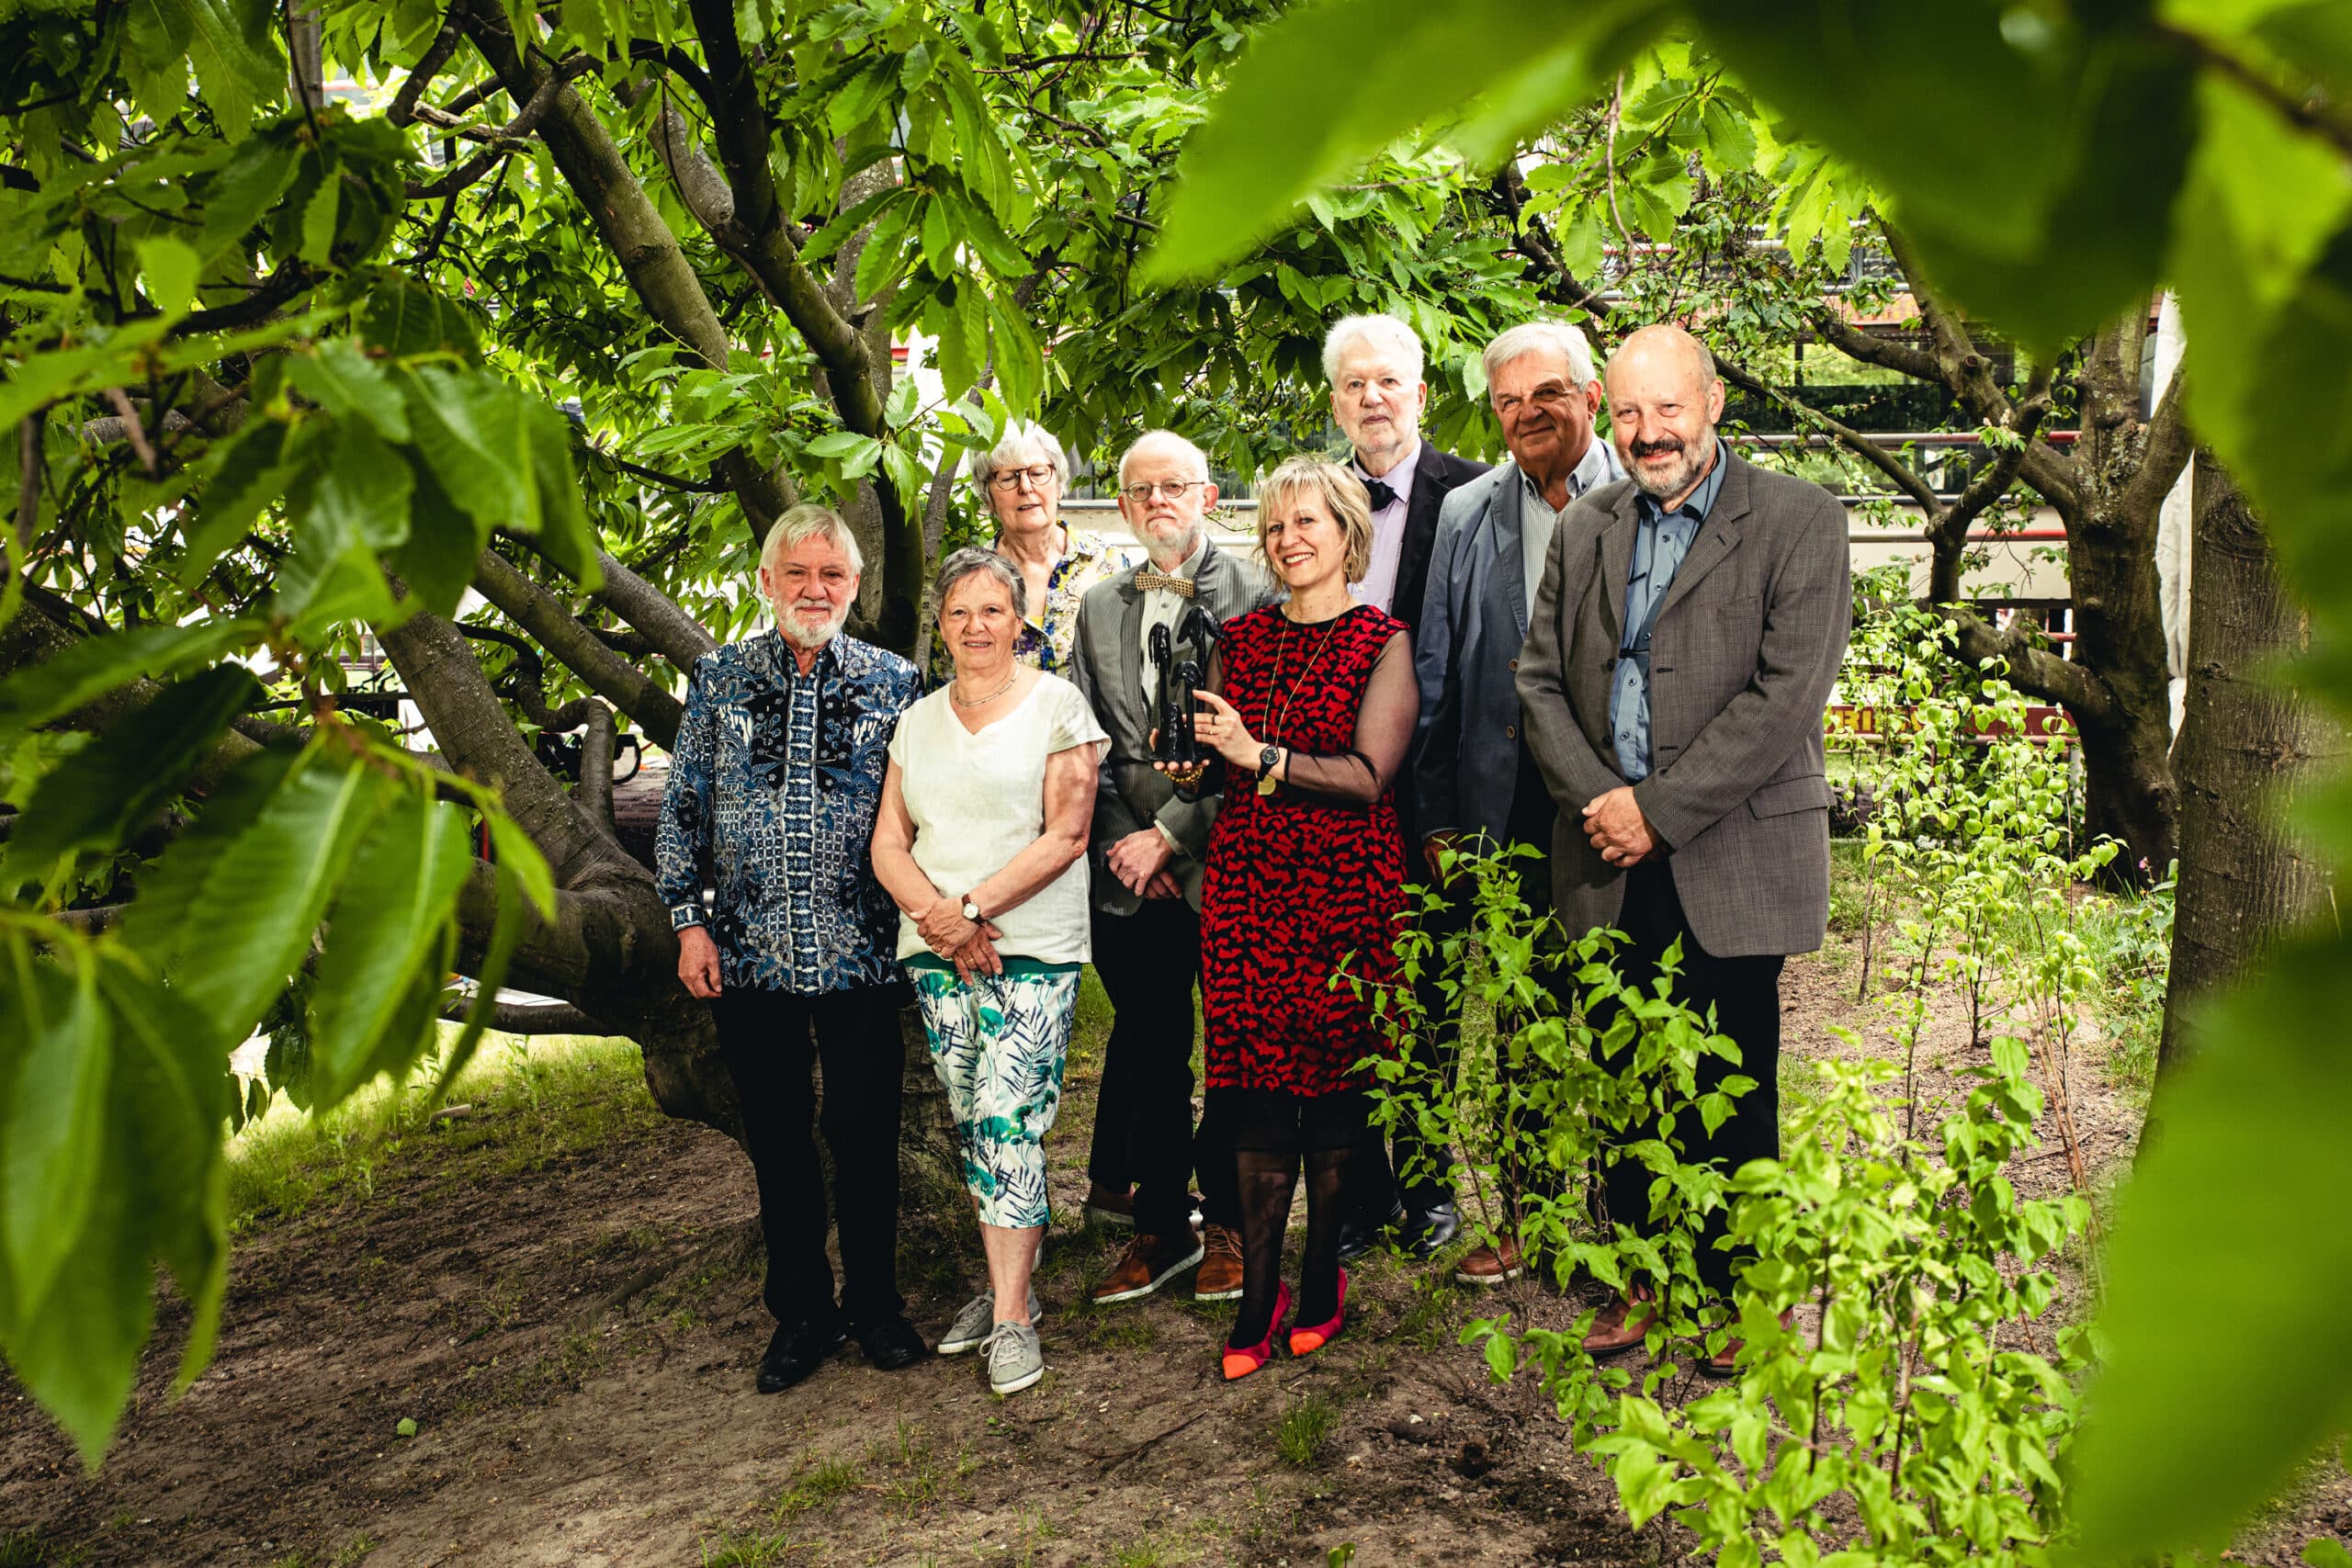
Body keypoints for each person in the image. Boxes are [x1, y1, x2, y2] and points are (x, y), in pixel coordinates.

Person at [1516, 324, 1850, 1375]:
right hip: (1604, 853)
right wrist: (1604, 803)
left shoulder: (1798, 518)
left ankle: (1739, 1291)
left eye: (1667, 408)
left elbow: (1783, 697)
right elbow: (1537, 682)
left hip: (1729, 848)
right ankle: (1644, 1275)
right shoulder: (1589, 526)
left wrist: (1656, 810)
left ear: (1711, 402)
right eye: (1627, 412)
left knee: (1734, 1078)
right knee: (1622, 1073)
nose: (1647, 431)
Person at [654, 503, 926, 1393]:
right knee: (778, 1139)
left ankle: (878, 1306)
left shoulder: (896, 682)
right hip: (747, 954)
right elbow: (683, 809)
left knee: (865, 1135)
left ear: (854, 587)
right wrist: (688, 922)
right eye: (798, 574)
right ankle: (801, 1314)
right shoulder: (719, 678)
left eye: (833, 576)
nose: (816, 590)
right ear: (766, 581)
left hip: (862, 953)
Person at [1182, 456, 1419, 1380]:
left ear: (1347, 534)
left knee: (1331, 1087)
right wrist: (1193, 765)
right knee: (1252, 1090)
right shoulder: (1237, 639)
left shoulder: (1382, 639)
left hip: (1345, 889)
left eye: (1307, 522)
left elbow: (1368, 779)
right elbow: (1214, 759)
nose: (1288, 539)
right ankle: (1258, 1289)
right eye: (1276, 525)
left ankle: (1322, 1277)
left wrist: (1258, 753)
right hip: (1248, 886)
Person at [1411, 321, 1624, 1286]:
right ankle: (1531, 1219)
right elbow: (1437, 671)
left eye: (1547, 393)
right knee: (1524, 1026)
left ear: (1589, 396)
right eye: (1508, 400)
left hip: (1624, 807)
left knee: (1623, 1020)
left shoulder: (1644, 491)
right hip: (1506, 808)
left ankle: (1620, 1226)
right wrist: (1439, 813)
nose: (1528, 413)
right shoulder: (1466, 511)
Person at [871, 548, 1107, 1398]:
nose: (977, 626)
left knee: (1011, 1120)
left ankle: (1010, 1319)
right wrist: (940, 920)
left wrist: (967, 910)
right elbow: (888, 843)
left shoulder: (1057, 706)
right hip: (936, 953)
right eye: (960, 612)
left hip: (1028, 946)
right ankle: (1014, 1290)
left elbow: (1067, 832)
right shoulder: (917, 719)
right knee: (976, 1122)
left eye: (993, 611)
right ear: (941, 625)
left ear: (1020, 621)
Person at [1068, 431, 1278, 1309]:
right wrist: (1129, 838)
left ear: (1208, 495)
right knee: (1151, 1045)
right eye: (1141, 490)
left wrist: (1173, 833)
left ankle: (1230, 1222)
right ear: (1122, 504)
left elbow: (1262, 733)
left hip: (1225, 854)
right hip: (1129, 868)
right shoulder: (1097, 604)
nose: (1159, 502)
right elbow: (1090, 737)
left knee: (1236, 1044)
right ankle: (1160, 1225)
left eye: (1176, 487)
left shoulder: (1259, 592)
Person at [1322, 312, 1490, 1261]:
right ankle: (1356, 1192)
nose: (1371, 399)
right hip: (1333, 796)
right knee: (1346, 997)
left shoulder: (1473, 494)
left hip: (1432, 795)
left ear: (1419, 392)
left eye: (1387, 381)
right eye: (1353, 385)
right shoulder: (1315, 501)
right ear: (1336, 402)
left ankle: (1427, 1186)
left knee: (1426, 997)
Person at [939, 421, 1124, 683]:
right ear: (988, 499)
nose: (1025, 487)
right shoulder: (967, 581)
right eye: (1008, 477)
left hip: (1089, 724)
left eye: (1038, 473)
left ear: (1059, 486)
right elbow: (947, 681)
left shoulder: (1108, 565)